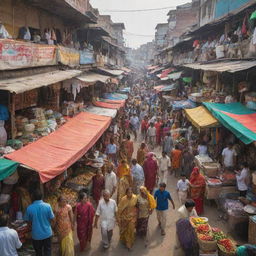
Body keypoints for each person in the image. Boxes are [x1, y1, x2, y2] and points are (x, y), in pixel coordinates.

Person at [24, 189, 54, 256]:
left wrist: (31, 225)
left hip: (36, 235)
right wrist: (50, 227)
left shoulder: (29, 208)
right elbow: (52, 219)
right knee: (48, 251)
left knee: (38, 252)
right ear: (41, 196)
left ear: (32, 197)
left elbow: (27, 220)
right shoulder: (47, 206)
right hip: (47, 233)